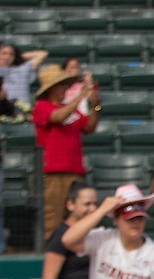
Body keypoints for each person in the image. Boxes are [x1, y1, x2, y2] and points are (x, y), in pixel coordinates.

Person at [33, 65, 99, 239]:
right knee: (52, 219)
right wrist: (80, 95)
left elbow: (89, 127)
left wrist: (95, 105)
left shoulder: (71, 108)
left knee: (79, 218)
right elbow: (58, 116)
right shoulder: (42, 106)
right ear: (52, 88)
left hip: (75, 170)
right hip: (52, 172)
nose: (65, 88)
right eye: (62, 85)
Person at [0, 42, 48, 107]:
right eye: (4, 53)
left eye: (11, 54)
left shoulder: (22, 70)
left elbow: (42, 54)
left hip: (21, 110)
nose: (7, 57)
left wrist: (19, 56)